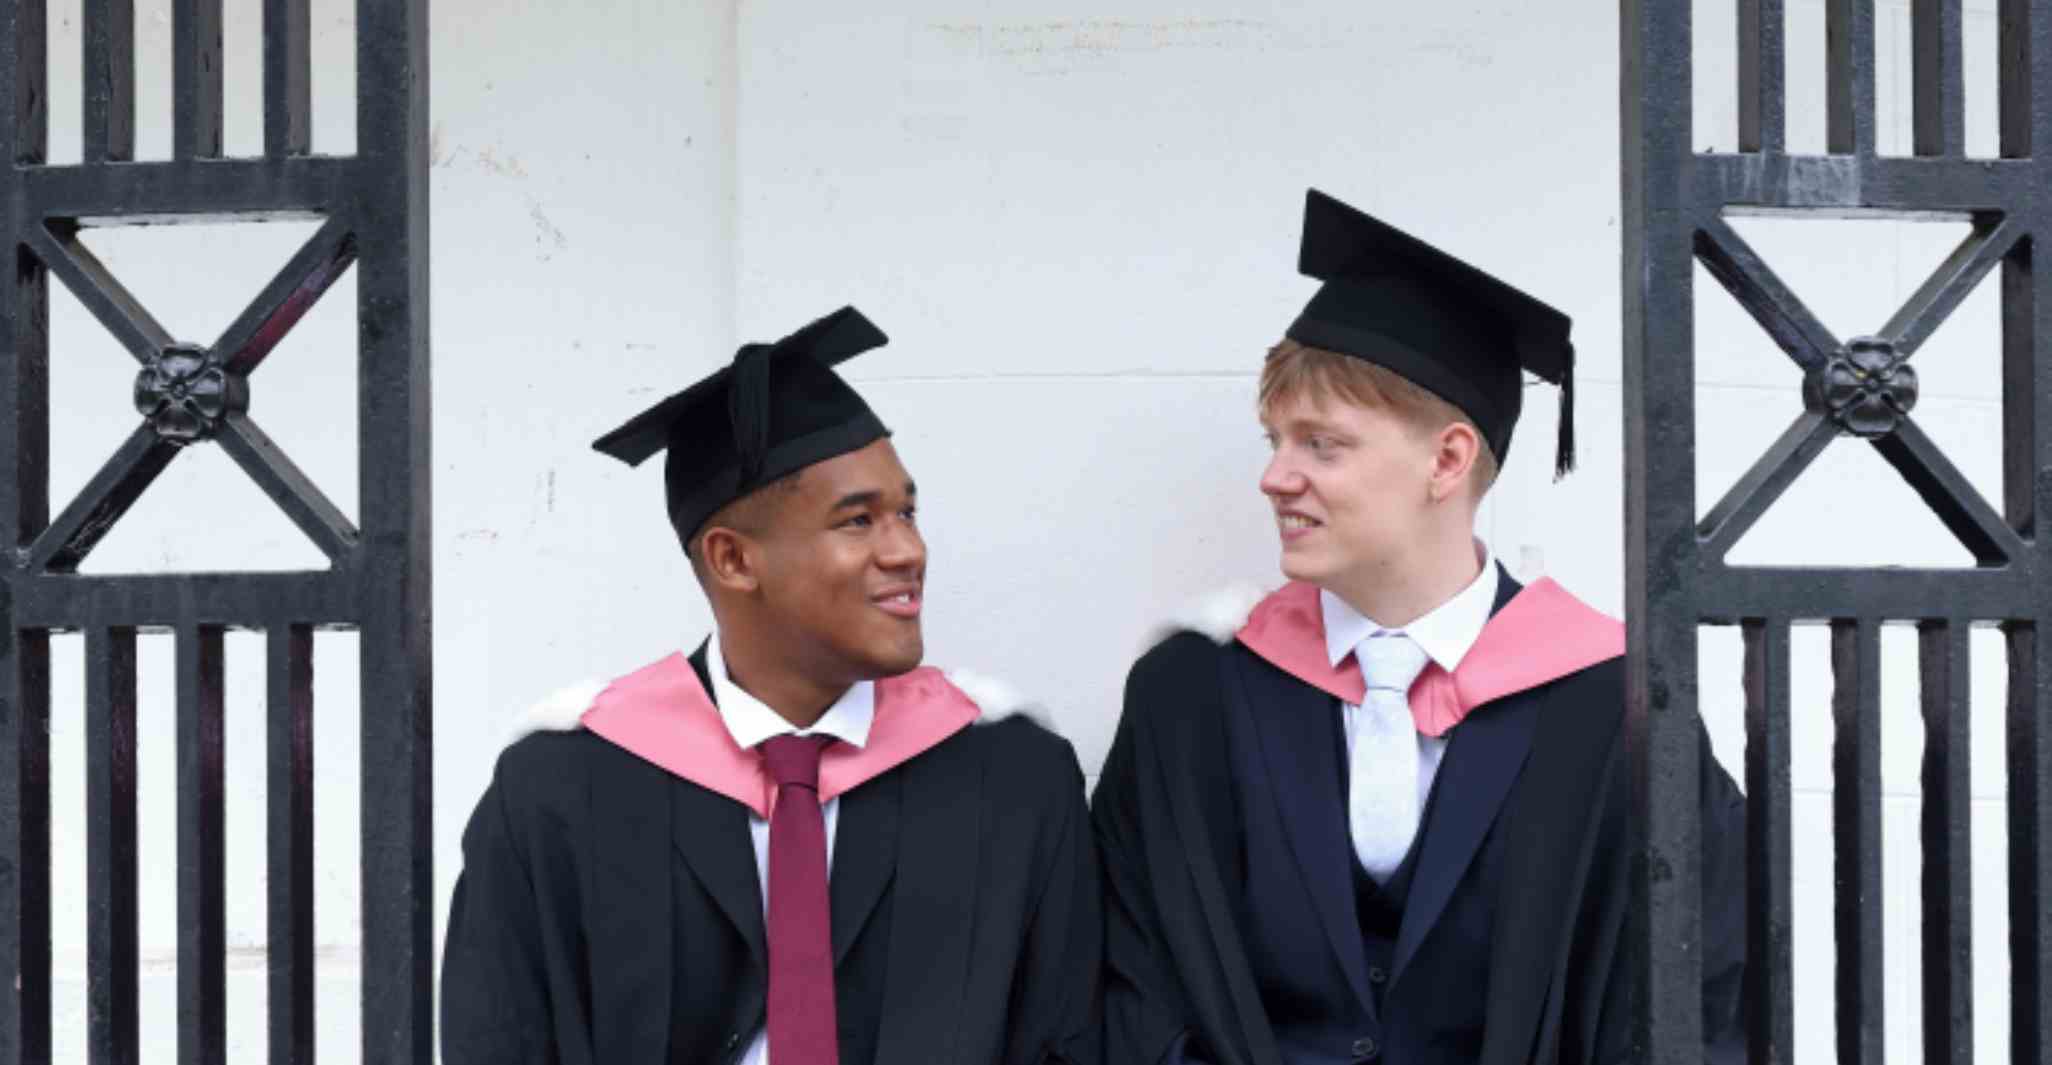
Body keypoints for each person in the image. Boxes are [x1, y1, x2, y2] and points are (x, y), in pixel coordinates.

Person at [1093, 191, 1745, 1065]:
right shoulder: (1192, 696)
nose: (1275, 477)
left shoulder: (1612, 708)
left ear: (1447, 459)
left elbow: (1691, 998)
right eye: (1273, 439)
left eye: (1321, 445)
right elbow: (1126, 982)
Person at [442, 306, 1101, 1065]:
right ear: (732, 559)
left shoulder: (1014, 782)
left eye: (907, 512)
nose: (908, 550)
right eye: (858, 521)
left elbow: (1068, 1045)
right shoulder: (558, 796)